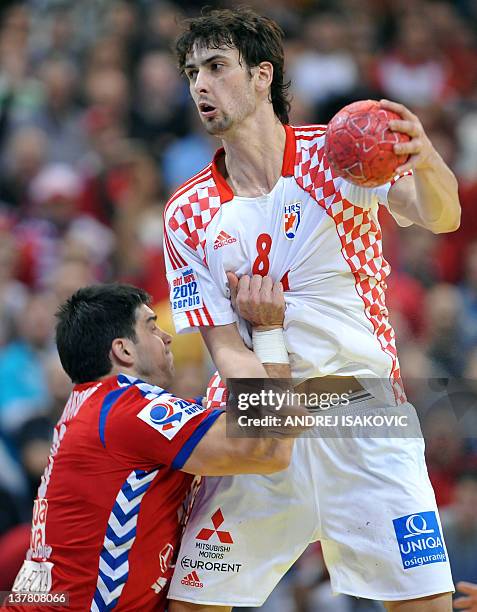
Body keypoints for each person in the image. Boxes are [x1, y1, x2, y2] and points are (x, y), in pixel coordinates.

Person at [163, 7, 461, 612]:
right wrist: (272, 420)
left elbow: (443, 215)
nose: (200, 85)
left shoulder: (340, 153)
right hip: (264, 424)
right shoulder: (186, 212)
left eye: (217, 67)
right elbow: (224, 351)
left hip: (364, 418)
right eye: (192, 72)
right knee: (191, 605)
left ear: (261, 75)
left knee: (424, 607)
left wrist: (426, 158)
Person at [7, 280, 297, 611]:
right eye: (152, 327)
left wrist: (361, 401)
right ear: (123, 350)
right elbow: (270, 445)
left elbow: (284, 418)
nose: (167, 337)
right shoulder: (127, 409)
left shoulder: (99, 408)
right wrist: (250, 333)